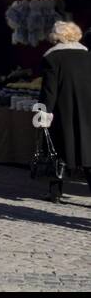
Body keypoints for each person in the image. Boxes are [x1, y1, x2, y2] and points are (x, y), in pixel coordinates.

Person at [40, 20, 91, 202]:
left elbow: (49, 90)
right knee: (87, 150)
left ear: (56, 36)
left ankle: (55, 192)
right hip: (87, 111)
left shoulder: (52, 58)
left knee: (57, 150)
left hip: (63, 111)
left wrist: (44, 113)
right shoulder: (87, 56)